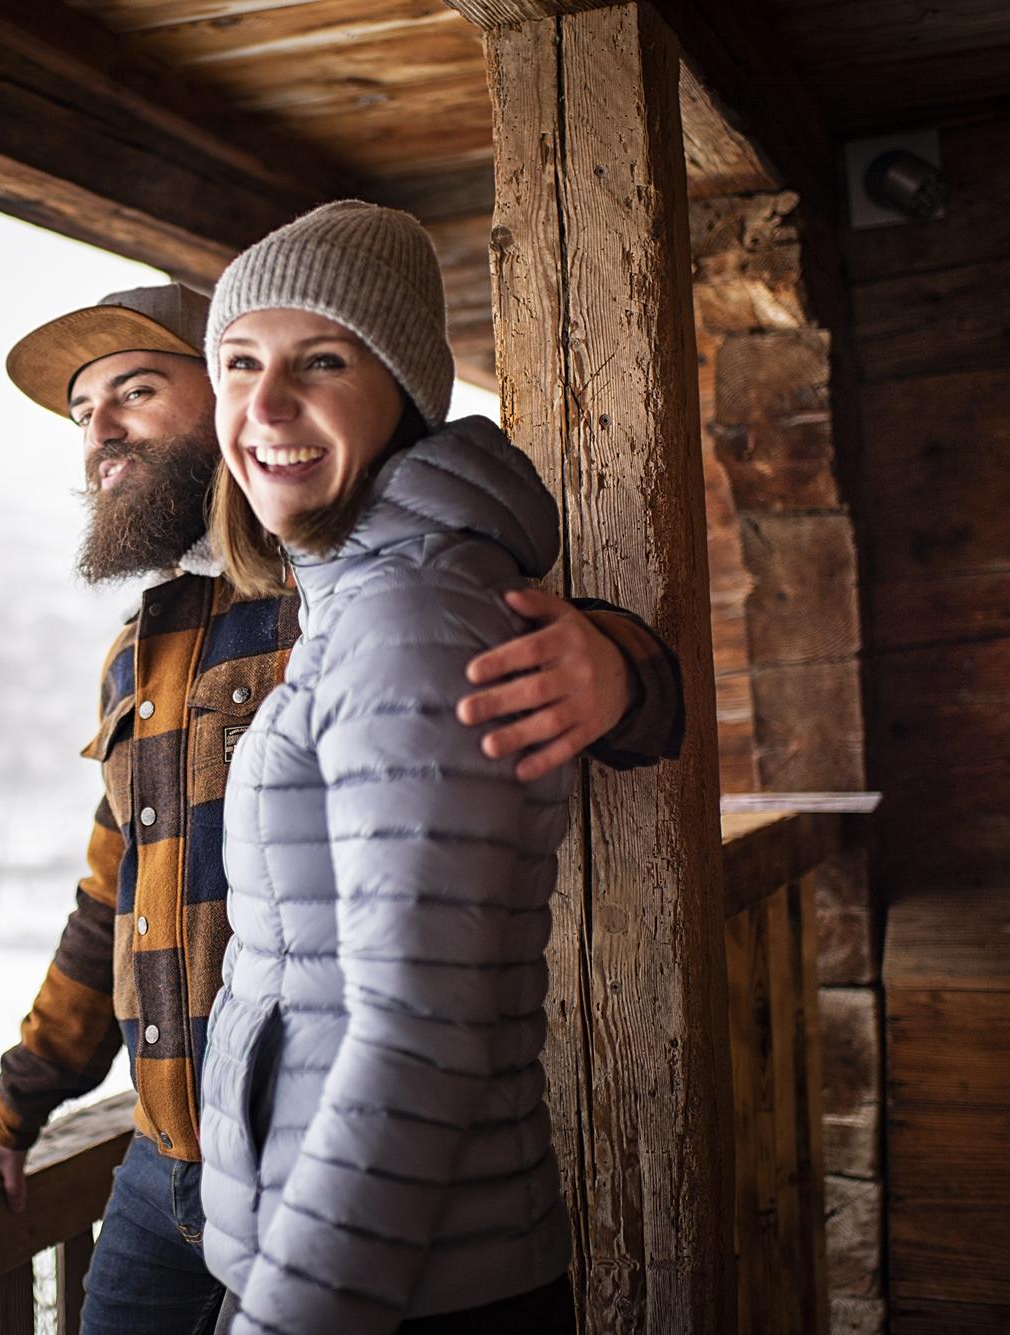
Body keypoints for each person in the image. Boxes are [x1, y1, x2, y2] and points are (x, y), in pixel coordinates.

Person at [0, 262, 683, 1334]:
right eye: (82, 409)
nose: (101, 426)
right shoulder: (137, 652)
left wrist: (616, 665)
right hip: (161, 1170)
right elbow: (113, 901)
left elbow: (516, 640)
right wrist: (13, 1111)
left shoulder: (348, 579)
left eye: (135, 390)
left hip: (328, 1163)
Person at [197, 200, 581, 1334]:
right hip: (385, 1261)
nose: (263, 406)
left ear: (403, 395)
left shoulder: (408, 617)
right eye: (236, 363)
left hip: (388, 1288)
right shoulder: (362, 594)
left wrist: (288, 1317)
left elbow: (417, 1032)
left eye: (319, 361)